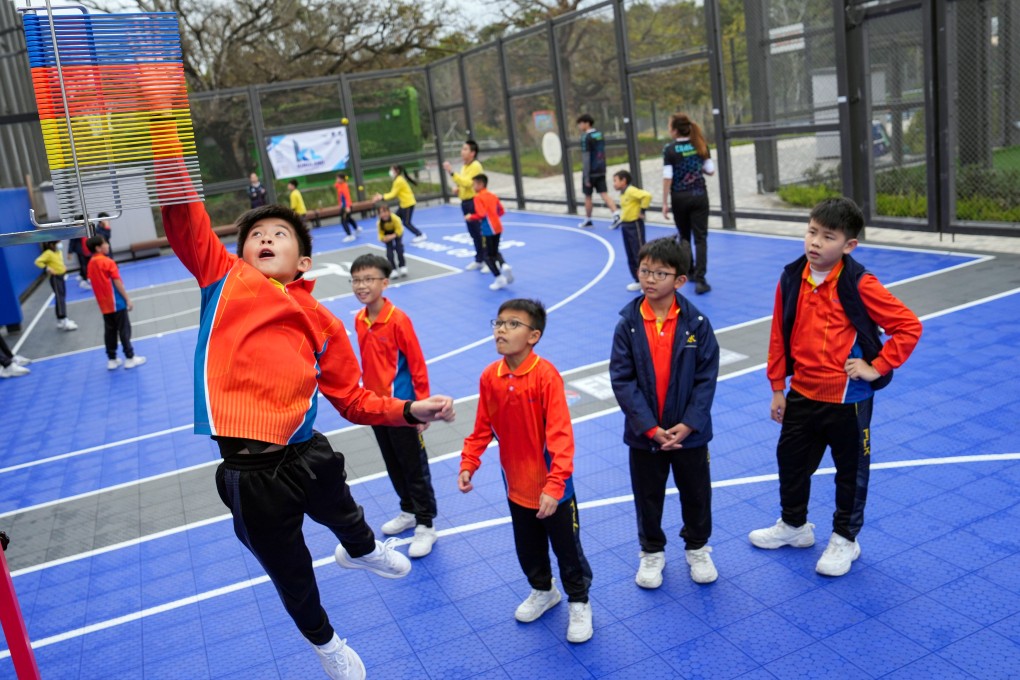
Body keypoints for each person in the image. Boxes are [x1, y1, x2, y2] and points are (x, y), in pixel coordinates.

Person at [156, 145, 456, 678]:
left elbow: (355, 400)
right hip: (248, 473)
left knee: (346, 515)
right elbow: (183, 213)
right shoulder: (225, 280)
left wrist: (411, 408)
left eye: (280, 234)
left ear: (304, 262)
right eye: (255, 234)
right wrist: (162, 128)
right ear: (239, 251)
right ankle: (327, 645)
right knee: (292, 574)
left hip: (306, 454)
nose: (266, 238)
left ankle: (362, 549)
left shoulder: (322, 321)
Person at [749, 197, 922, 577]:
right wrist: (777, 386)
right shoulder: (792, 277)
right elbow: (780, 333)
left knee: (851, 473)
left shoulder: (861, 284)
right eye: (811, 232)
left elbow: (909, 326)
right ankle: (794, 527)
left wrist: (876, 366)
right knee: (791, 463)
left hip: (848, 399)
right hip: (801, 394)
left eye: (828, 237)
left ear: (848, 246)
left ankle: (846, 538)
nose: (814, 242)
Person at [458, 299, 594, 644]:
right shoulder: (491, 376)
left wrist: (554, 485)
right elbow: (482, 426)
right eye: (498, 322)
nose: (501, 329)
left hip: (554, 490)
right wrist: (469, 462)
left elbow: (561, 436)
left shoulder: (546, 377)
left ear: (534, 335)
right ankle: (543, 590)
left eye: (512, 324)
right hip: (516, 487)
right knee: (528, 548)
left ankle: (579, 601)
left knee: (568, 551)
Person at [610, 238, 720, 588]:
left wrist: (689, 424)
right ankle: (652, 551)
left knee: (697, 493)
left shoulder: (697, 324)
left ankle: (698, 547)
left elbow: (706, 378)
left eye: (660, 272)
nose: (650, 279)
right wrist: (649, 427)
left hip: (691, 434)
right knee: (647, 496)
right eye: (645, 270)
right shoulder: (627, 324)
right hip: (646, 437)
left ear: (680, 280)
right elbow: (622, 380)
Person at [350, 253, 438, 557]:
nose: (362, 285)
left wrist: (423, 406)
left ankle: (426, 524)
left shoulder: (398, 320)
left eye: (368, 279)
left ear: (384, 283)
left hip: (403, 409)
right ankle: (408, 510)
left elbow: (416, 364)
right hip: (375, 408)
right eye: (357, 280)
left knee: (414, 467)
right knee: (393, 463)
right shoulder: (359, 320)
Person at [662, 113, 715, 295]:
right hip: (699, 195)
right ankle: (701, 280)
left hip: (680, 197)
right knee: (701, 238)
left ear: (675, 130)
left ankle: (690, 272)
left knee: (684, 237)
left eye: (670, 126)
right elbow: (711, 171)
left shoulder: (669, 150)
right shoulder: (699, 144)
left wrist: (664, 202)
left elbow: (668, 177)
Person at [86, 235, 145, 370]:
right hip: (116, 303)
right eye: (105, 243)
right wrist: (127, 299)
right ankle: (130, 358)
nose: (108, 245)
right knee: (124, 330)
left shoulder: (91, 263)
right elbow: (117, 282)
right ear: (98, 248)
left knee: (110, 332)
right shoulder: (108, 262)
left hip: (103, 304)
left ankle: (112, 359)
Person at [464, 173, 513, 291]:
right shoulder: (492, 195)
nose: (473, 186)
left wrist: (471, 217)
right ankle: (504, 265)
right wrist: (494, 217)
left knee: (487, 255)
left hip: (487, 229)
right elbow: (501, 211)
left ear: (481, 184)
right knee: (495, 252)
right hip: (498, 227)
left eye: (474, 184)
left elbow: (481, 214)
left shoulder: (478, 197)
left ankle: (499, 278)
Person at [442, 140, 485, 270]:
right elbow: (463, 185)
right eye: (462, 149)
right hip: (465, 203)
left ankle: (489, 260)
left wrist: (451, 172)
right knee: (473, 233)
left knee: (480, 232)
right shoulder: (464, 167)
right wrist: (458, 189)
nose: (462, 151)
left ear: (472, 153)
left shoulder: (476, 166)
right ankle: (479, 260)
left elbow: (468, 183)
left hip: (474, 202)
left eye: (465, 149)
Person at [576, 114, 619, 229]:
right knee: (604, 193)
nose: (579, 126)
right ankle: (616, 214)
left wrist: (586, 177)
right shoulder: (599, 134)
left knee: (588, 196)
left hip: (591, 172)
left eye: (580, 123)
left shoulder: (586, 137)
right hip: (601, 169)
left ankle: (588, 220)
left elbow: (586, 157)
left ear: (586, 123)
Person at [612, 170, 651, 292]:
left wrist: (642, 211)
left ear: (624, 181)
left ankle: (647, 282)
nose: (614, 184)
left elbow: (647, 196)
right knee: (630, 254)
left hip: (635, 225)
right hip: (625, 226)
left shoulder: (631, 190)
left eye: (615, 180)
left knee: (639, 253)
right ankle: (638, 280)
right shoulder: (623, 193)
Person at [374, 165, 425, 243]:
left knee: (406, 222)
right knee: (394, 218)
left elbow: (393, 194)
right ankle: (391, 235)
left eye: (391, 170)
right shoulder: (398, 180)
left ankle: (420, 234)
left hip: (408, 203)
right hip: (403, 204)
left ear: (396, 171)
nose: (390, 172)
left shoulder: (399, 181)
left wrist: (381, 197)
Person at [34, 241, 78, 331]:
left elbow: (58, 262)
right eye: (58, 243)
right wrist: (47, 268)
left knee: (62, 297)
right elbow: (38, 261)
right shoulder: (48, 253)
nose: (60, 244)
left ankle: (60, 320)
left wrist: (63, 266)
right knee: (60, 298)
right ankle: (64, 320)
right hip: (55, 278)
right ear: (52, 244)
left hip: (61, 277)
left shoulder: (58, 252)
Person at [376, 202, 408, 279]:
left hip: (396, 234)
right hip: (387, 235)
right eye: (381, 213)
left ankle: (402, 265)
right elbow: (380, 234)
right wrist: (383, 238)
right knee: (389, 253)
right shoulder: (379, 223)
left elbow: (399, 230)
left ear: (389, 212)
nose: (383, 214)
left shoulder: (396, 219)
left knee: (399, 249)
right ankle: (393, 269)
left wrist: (392, 236)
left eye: (385, 211)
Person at [334, 173, 360, 242]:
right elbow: (336, 185)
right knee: (348, 219)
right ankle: (357, 228)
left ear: (342, 179)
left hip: (346, 207)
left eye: (338, 178)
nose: (336, 180)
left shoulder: (344, 186)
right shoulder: (339, 185)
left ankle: (350, 235)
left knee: (343, 221)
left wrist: (347, 207)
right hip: (343, 206)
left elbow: (347, 197)